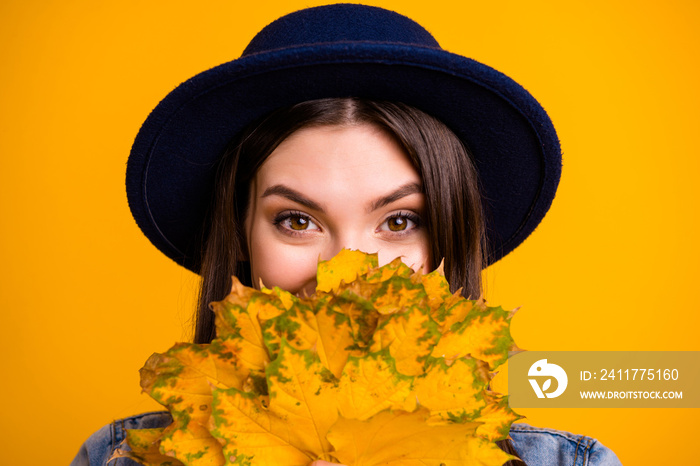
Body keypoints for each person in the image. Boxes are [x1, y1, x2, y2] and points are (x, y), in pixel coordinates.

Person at [72, 4, 621, 466]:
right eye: (297, 221)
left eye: (400, 221)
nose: (345, 272)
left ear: (447, 241)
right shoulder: (121, 456)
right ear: (239, 238)